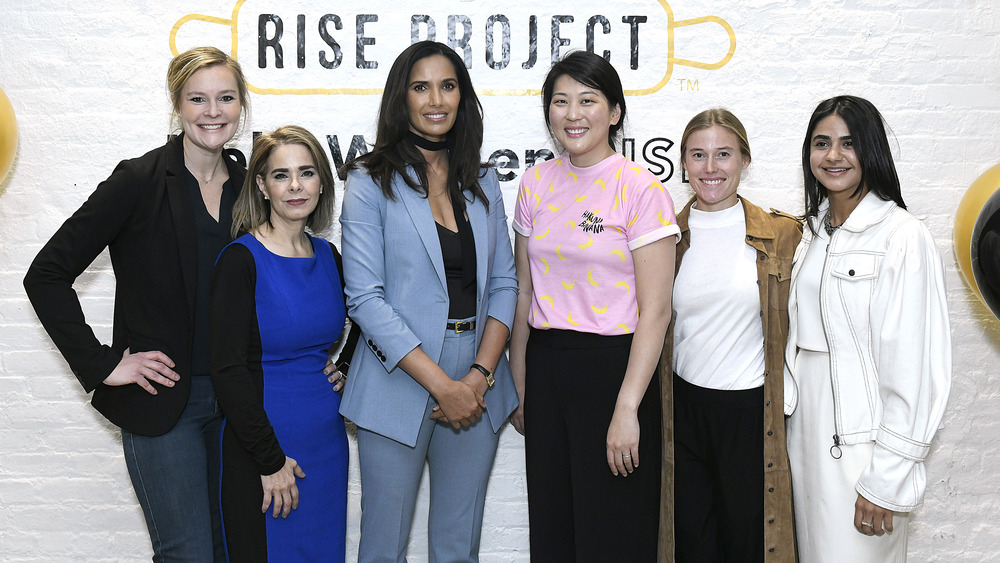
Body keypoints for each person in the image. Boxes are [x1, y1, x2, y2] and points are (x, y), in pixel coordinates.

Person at [22, 46, 249, 561]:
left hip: (238, 401)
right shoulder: (138, 180)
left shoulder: (250, 185)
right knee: (187, 552)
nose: (213, 111)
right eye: (198, 99)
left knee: (230, 550)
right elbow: (46, 275)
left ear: (241, 106)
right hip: (165, 405)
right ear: (176, 105)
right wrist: (103, 364)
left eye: (226, 98)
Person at [338, 41, 518, 562]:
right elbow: (365, 299)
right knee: (383, 548)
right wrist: (444, 386)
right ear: (402, 97)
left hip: (478, 376)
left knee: (458, 547)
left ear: (463, 96)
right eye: (421, 86)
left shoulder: (481, 179)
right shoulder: (370, 180)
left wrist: (478, 377)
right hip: (400, 376)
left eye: (448, 85)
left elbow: (505, 284)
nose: (435, 99)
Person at [508, 50, 679, 561]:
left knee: (615, 533)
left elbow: (657, 311)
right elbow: (523, 292)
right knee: (554, 530)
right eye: (560, 102)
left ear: (616, 111)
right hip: (546, 369)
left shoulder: (641, 189)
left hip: (616, 373)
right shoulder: (535, 184)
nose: (573, 113)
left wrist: (627, 408)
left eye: (588, 100)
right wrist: (522, 388)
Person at [785, 95, 951, 562]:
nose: (833, 156)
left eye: (848, 143)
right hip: (806, 435)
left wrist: (887, 476)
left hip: (862, 444)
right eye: (821, 144)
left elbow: (914, 367)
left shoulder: (901, 235)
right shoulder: (810, 233)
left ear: (871, 150)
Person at [209, 125, 352, 561]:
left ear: (322, 182)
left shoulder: (329, 256)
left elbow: (366, 317)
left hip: (326, 443)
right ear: (262, 186)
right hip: (264, 447)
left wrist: (345, 363)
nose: (295, 186)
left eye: (306, 173)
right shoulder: (240, 260)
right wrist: (270, 462)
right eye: (281, 175)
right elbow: (227, 370)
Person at [662, 109, 799, 562]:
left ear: (744, 159)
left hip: (748, 412)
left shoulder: (782, 234)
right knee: (693, 547)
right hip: (683, 411)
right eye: (698, 155)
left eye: (723, 154)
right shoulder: (666, 234)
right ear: (683, 163)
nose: (710, 167)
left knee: (747, 545)